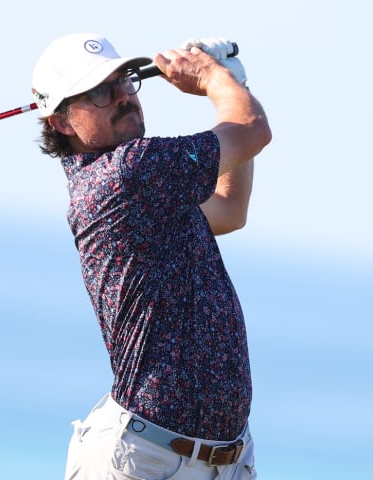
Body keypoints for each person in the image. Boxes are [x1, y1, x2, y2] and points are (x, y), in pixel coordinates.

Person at [31, 32, 272, 480]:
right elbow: (253, 131)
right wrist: (216, 79)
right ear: (61, 121)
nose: (123, 96)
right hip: (144, 461)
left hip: (220, 462)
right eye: (100, 92)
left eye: (124, 80)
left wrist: (234, 87)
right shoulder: (129, 173)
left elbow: (229, 210)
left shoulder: (145, 185)